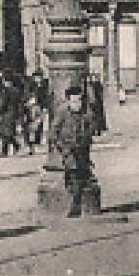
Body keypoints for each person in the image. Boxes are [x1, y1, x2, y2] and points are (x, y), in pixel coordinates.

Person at [50, 85, 101, 218]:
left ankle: (75, 202)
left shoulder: (86, 112)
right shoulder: (62, 112)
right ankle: (75, 204)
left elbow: (92, 127)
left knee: (80, 174)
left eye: (79, 100)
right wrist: (61, 145)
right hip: (68, 149)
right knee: (74, 172)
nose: (77, 104)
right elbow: (53, 131)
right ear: (68, 101)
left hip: (83, 149)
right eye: (74, 101)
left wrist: (87, 137)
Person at [0, 73, 25, 157]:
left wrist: (0, 111)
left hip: (6, 113)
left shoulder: (5, 91)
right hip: (14, 112)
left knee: (6, 133)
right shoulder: (16, 90)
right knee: (9, 133)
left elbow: (3, 103)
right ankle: (15, 146)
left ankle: (5, 151)